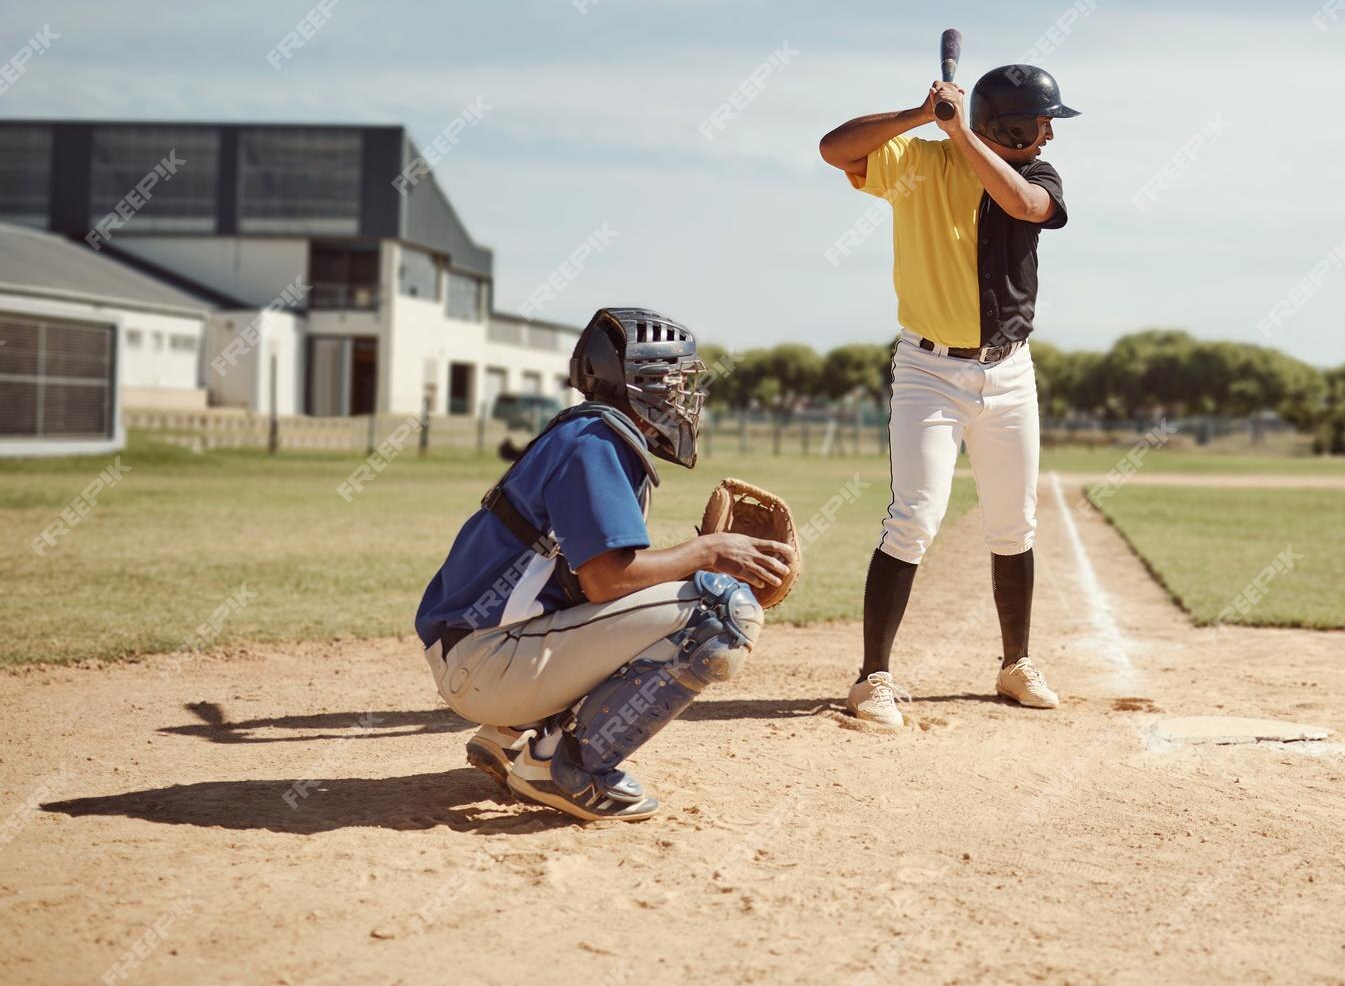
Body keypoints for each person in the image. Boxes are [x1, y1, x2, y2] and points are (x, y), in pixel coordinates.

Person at [413, 306, 797, 821]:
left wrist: (691, 565)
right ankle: (564, 767)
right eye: (675, 382)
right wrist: (709, 553)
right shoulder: (598, 442)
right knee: (724, 611)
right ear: (642, 383)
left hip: (481, 655)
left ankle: (509, 737)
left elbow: (590, 580)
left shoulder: (586, 434)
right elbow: (608, 580)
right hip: (488, 665)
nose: (684, 397)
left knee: (686, 597)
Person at [818, 62, 1079, 728]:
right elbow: (833, 149)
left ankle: (1015, 664)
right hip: (929, 371)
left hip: (1010, 373)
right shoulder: (918, 161)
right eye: (1042, 122)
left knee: (1013, 521)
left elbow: (1023, 204)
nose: (1050, 134)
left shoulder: (1035, 178)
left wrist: (963, 135)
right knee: (914, 517)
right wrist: (918, 115)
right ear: (1012, 126)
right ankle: (872, 678)